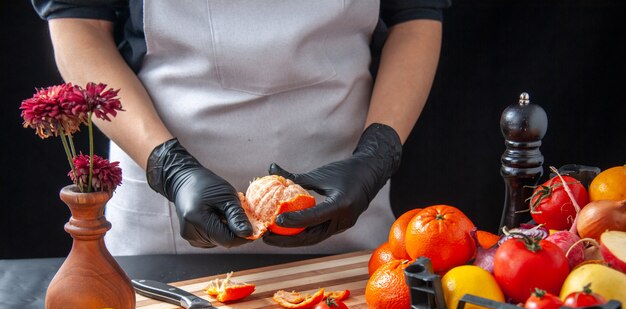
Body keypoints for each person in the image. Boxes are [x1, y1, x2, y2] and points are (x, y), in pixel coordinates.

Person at [32, 0, 451, 256]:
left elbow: (415, 18)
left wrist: (377, 154)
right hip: (163, 229)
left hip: (347, 207)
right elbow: (78, 24)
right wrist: (167, 167)